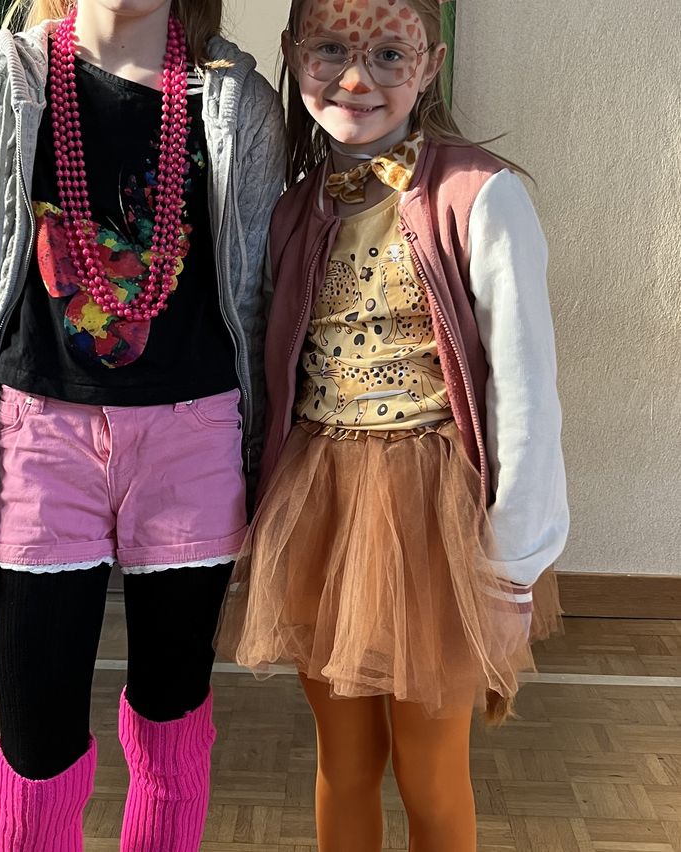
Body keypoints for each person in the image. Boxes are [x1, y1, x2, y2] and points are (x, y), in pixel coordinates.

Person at [0, 0, 284, 848]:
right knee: (36, 738)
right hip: (40, 443)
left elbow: (258, 301)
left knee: (172, 715)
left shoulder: (238, 100)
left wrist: (270, 475)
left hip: (193, 440)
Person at [218, 1, 569, 850]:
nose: (354, 77)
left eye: (386, 53)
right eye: (330, 49)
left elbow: (525, 387)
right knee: (343, 764)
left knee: (430, 770)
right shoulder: (294, 209)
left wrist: (515, 561)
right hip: (322, 509)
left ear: (431, 61)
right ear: (292, 55)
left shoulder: (479, 197)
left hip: (431, 520)